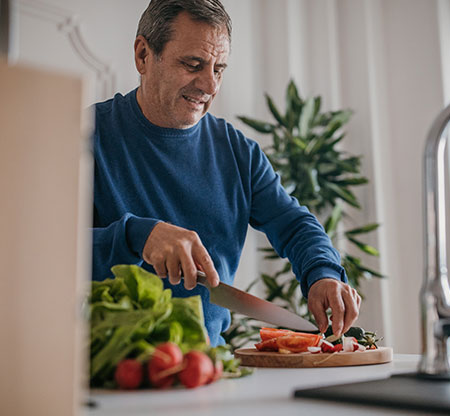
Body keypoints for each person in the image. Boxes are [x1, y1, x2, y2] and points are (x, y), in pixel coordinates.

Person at [92, 0, 360, 346]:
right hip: (102, 368)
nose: (209, 84)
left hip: (206, 369)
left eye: (219, 69)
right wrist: (135, 236)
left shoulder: (238, 152)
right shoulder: (83, 135)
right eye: (193, 64)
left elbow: (294, 224)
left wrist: (323, 274)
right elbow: (33, 251)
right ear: (143, 55)